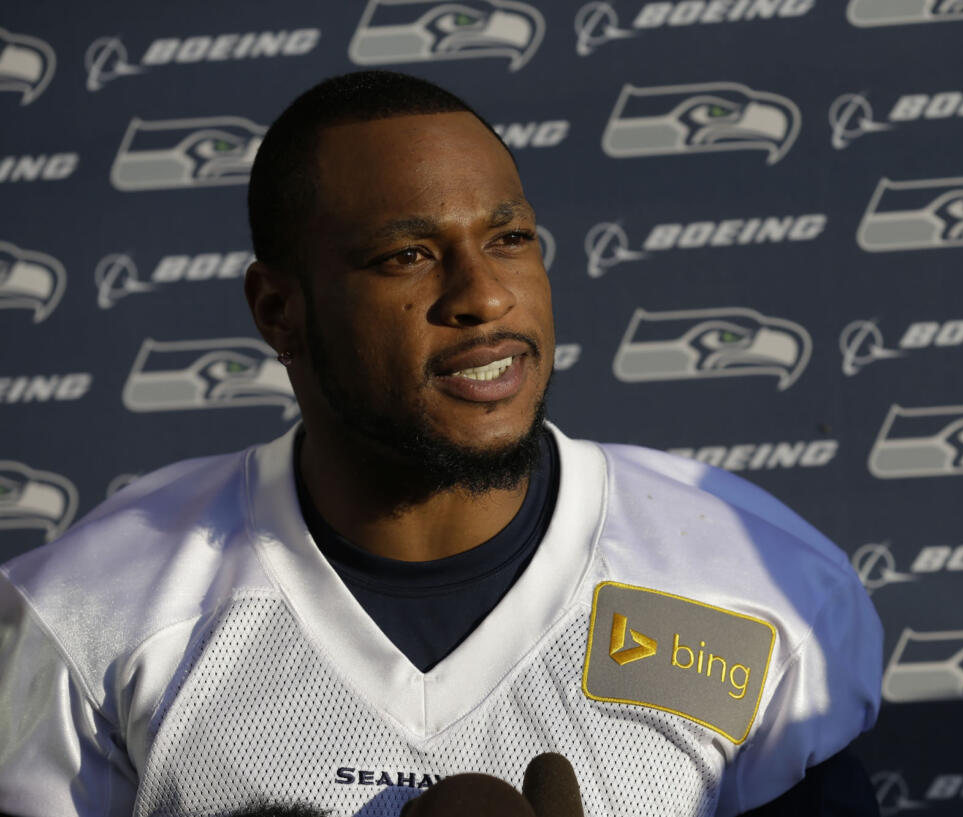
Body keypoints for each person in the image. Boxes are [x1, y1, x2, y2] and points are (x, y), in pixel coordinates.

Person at [0, 72, 882, 817]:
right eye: (408, 255)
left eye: (509, 240)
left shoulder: (765, 595)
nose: (484, 295)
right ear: (278, 310)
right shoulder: (85, 616)